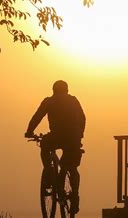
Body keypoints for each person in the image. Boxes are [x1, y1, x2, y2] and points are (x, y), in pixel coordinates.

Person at [25, 80, 85, 214]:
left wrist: (29, 131)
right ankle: (74, 196)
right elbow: (82, 118)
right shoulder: (73, 101)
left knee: (44, 145)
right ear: (67, 90)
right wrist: (79, 135)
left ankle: (48, 172)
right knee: (72, 167)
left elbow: (37, 117)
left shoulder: (49, 101)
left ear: (53, 91)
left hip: (56, 137)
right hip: (73, 138)